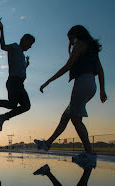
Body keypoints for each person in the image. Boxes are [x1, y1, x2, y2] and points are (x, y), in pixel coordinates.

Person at [34, 25, 107, 168]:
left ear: (76, 35)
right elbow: (100, 70)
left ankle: (90, 154)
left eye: (70, 38)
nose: (70, 42)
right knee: (66, 116)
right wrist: (102, 90)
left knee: (76, 119)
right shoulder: (92, 49)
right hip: (91, 84)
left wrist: (48, 81)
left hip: (82, 83)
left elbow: (67, 66)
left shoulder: (79, 45)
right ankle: (47, 144)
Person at [0, 17, 35, 131]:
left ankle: (2, 116)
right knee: (13, 105)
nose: (30, 46)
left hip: (19, 83)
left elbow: (19, 67)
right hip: (14, 82)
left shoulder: (21, 54)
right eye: (30, 44)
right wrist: (1, 30)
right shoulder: (15, 46)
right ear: (24, 40)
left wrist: (27, 65)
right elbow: (3, 46)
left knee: (25, 106)